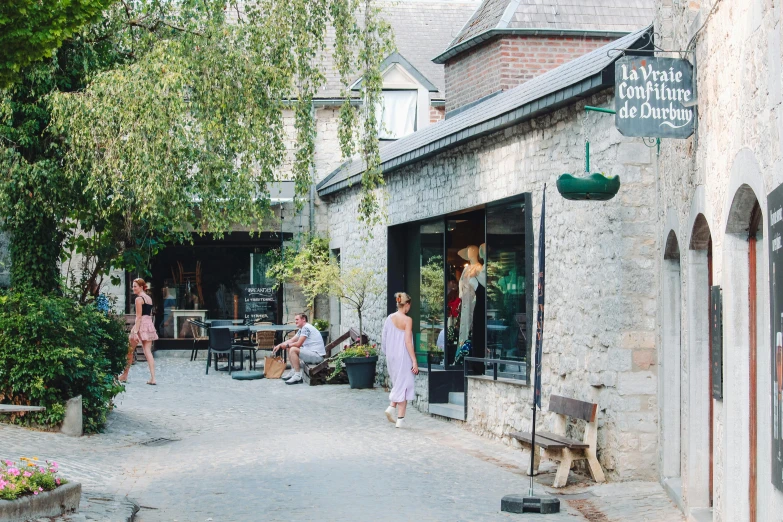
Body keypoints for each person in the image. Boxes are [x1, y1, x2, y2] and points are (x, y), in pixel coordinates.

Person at [382, 292, 419, 428]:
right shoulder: (407, 320)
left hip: (391, 356)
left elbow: (384, 339)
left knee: (399, 384)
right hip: (403, 356)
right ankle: (394, 411)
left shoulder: (389, 318)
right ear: (407, 305)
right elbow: (408, 341)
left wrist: (388, 354)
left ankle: (398, 418)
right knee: (404, 385)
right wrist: (414, 360)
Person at [120, 278, 159, 385]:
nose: (133, 288)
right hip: (149, 324)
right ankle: (153, 378)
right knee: (148, 351)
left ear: (141, 287)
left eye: (135, 286)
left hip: (140, 325)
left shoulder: (138, 299)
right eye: (133, 286)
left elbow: (138, 317)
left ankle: (124, 375)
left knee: (129, 350)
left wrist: (135, 331)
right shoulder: (149, 298)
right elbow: (148, 314)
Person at [273, 313, 325, 385]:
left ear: (303, 319)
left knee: (293, 349)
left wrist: (286, 345)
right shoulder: (302, 329)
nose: (295, 321)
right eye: (295, 320)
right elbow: (291, 340)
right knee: (290, 347)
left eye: (297, 319)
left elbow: (298, 344)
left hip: (317, 356)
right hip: (311, 353)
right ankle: (293, 371)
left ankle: (297, 376)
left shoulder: (306, 328)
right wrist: (280, 345)